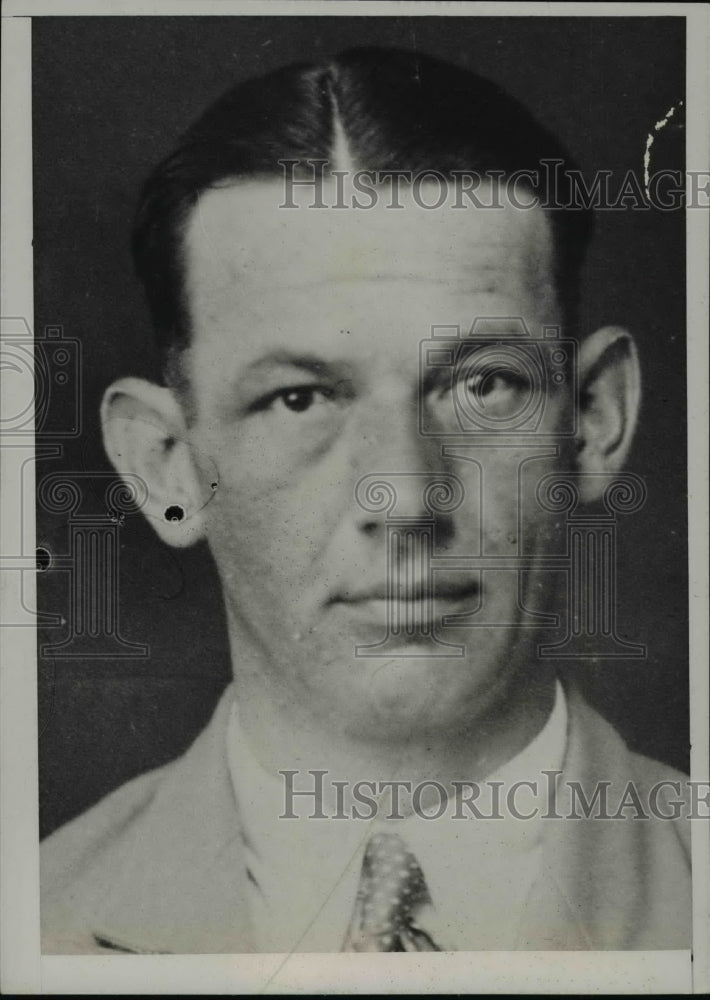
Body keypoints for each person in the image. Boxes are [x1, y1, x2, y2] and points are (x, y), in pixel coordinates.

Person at [40, 47, 690, 954]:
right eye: (300, 398)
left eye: (484, 386)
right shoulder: (32, 924)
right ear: (166, 467)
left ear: (593, 421)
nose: (407, 497)